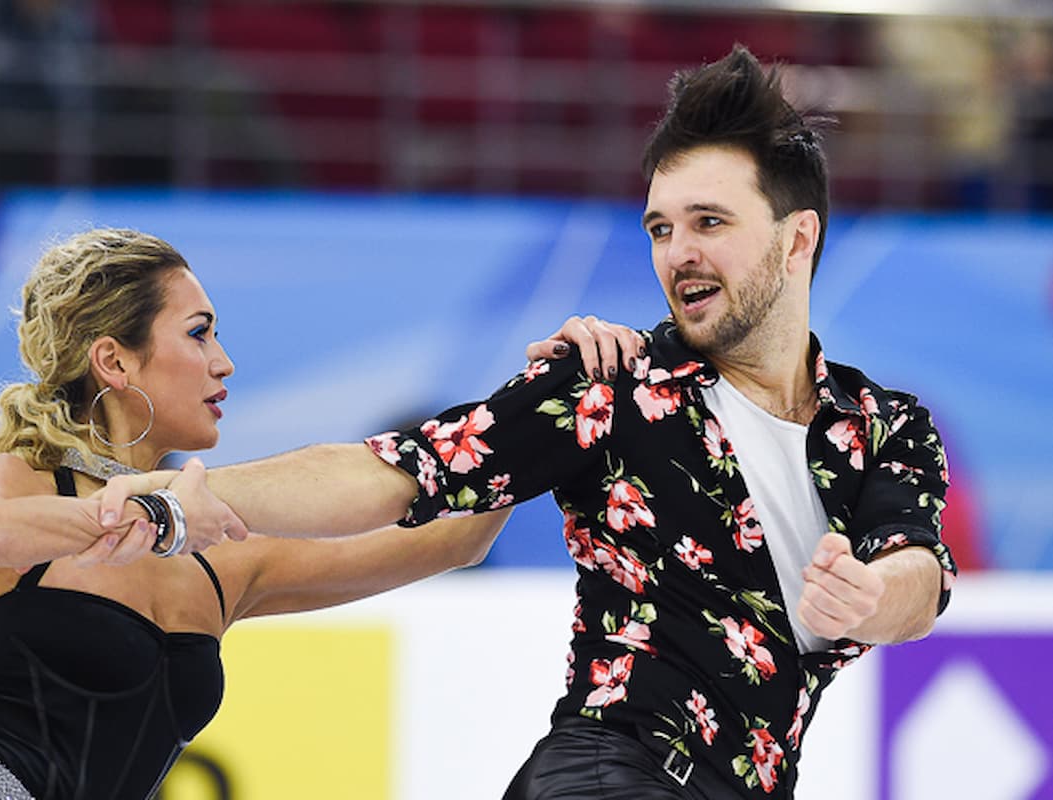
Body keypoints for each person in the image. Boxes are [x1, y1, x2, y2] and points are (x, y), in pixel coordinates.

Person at [100, 45, 959, 799]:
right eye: (660, 227)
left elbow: (915, 576)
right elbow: (394, 470)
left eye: (710, 223)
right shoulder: (608, 386)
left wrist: (873, 596)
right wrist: (183, 496)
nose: (678, 252)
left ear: (796, 237)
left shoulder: (882, 427)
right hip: (610, 774)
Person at [0, 226, 625, 800]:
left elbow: (450, 542)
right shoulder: (26, 481)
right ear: (115, 361)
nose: (224, 361)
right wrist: (147, 513)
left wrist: (544, 400)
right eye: (197, 333)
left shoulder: (222, 558)